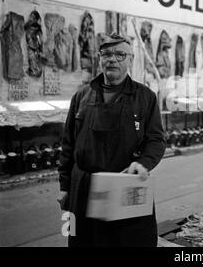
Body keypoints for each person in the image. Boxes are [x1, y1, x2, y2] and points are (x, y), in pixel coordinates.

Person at [57, 33, 166, 247]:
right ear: (100, 58)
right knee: (83, 241)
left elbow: (156, 140)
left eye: (120, 54)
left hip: (125, 185)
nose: (112, 59)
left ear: (131, 59)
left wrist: (143, 163)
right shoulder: (81, 96)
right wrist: (64, 186)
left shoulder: (145, 97)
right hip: (83, 187)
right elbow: (68, 145)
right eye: (106, 54)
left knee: (129, 242)